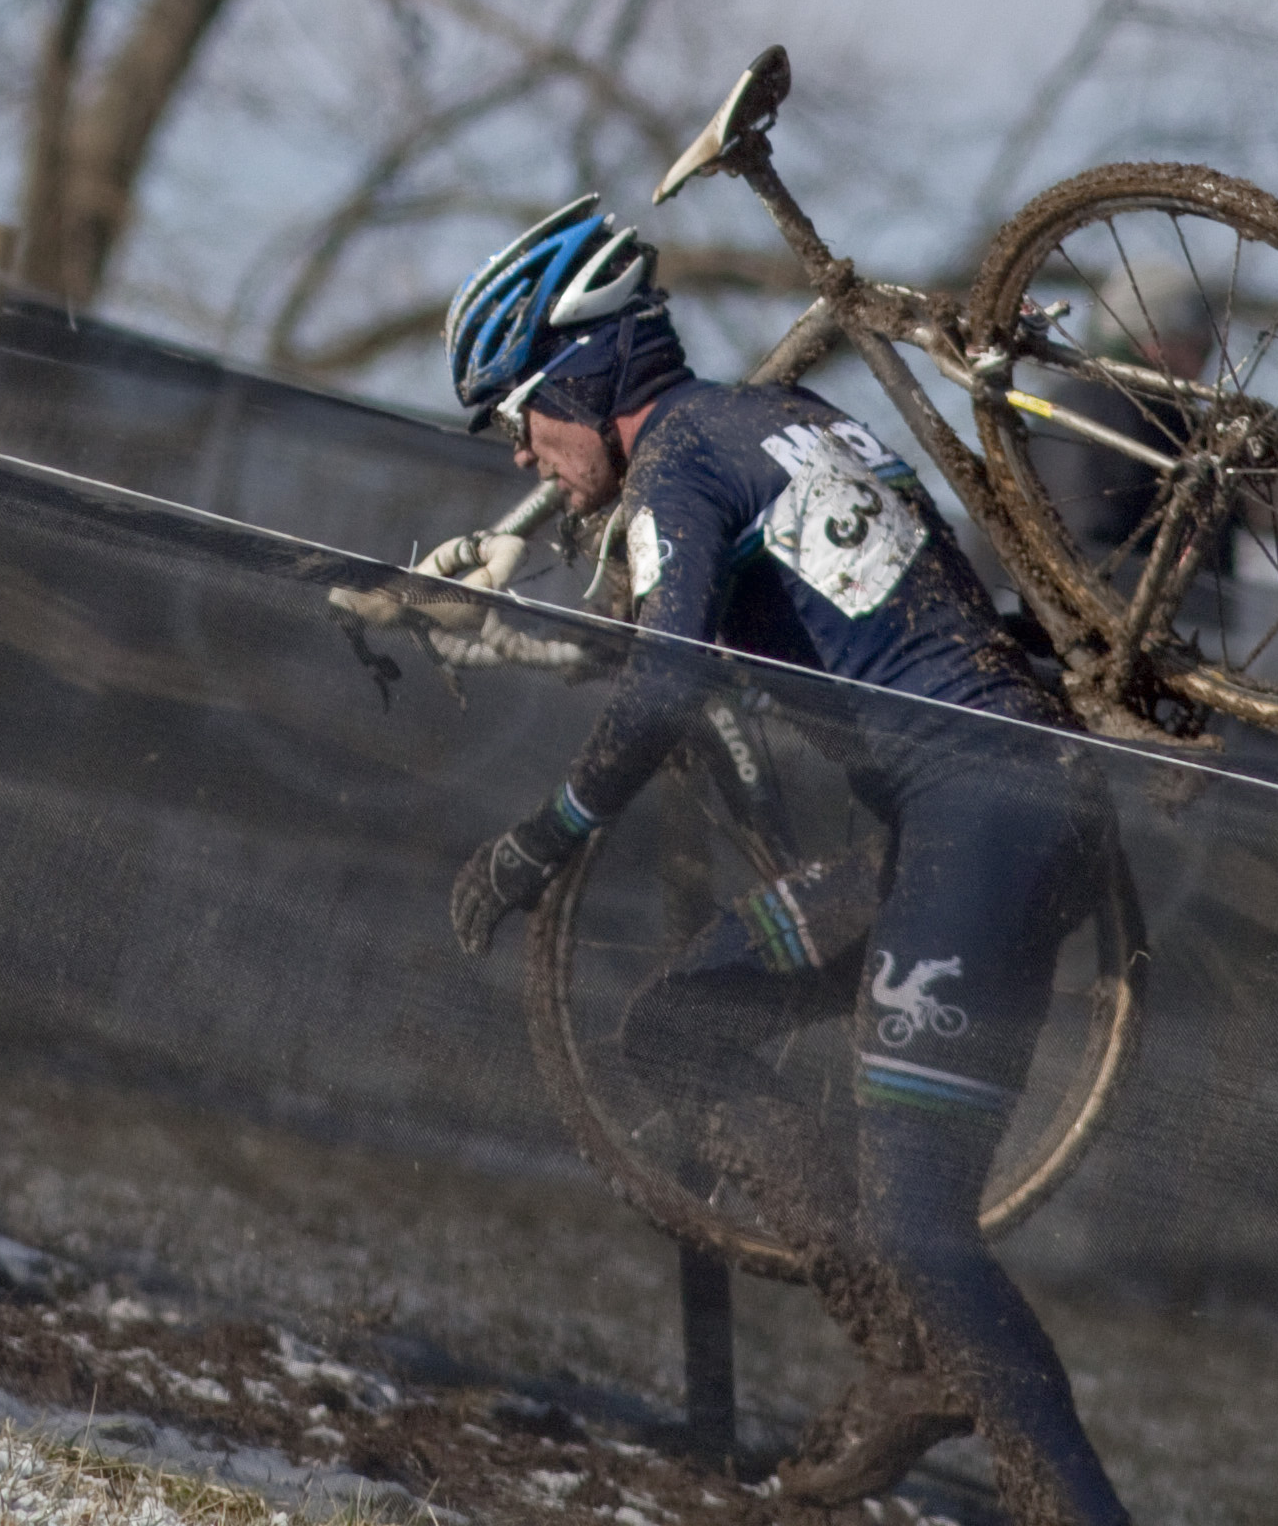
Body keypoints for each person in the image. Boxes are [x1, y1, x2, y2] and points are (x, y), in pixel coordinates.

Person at [438, 199, 1134, 1525]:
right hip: (974, 817)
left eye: (518, 414)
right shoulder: (768, 424)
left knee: (926, 1226)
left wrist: (548, 835)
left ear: (582, 379)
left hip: (982, 821)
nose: (521, 450)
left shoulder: (682, 465)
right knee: (684, 1025)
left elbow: (666, 681)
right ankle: (907, 1361)